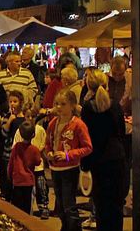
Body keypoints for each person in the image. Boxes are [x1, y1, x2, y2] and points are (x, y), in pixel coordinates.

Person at [81, 69, 128, 231]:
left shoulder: (88, 108)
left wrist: (84, 165)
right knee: (116, 206)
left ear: (88, 85)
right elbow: (121, 133)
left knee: (102, 207)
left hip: (98, 161)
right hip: (117, 159)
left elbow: (86, 138)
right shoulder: (114, 105)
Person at [46, 89, 93, 231]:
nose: (59, 107)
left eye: (63, 104)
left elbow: (87, 147)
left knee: (69, 205)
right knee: (60, 204)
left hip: (69, 169)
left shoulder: (78, 125)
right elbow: (48, 143)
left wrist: (68, 155)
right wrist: (48, 152)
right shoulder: (53, 123)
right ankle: (65, 227)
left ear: (72, 105)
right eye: (57, 104)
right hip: (55, 169)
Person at [14, 106, 49, 219]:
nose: (30, 118)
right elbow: (15, 144)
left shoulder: (40, 130)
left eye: (32, 116)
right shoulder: (20, 130)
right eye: (27, 116)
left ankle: (43, 206)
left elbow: (44, 142)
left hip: (37, 165)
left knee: (41, 185)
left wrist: (38, 151)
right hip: (24, 166)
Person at [7, 121, 42, 215]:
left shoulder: (16, 147)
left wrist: (10, 175)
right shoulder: (34, 149)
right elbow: (38, 162)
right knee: (27, 207)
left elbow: (11, 163)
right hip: (29, 181)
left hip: (17, 180)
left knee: (17, 207)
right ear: (33, 135)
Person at [0, 90, 26, 200]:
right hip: (8, 151)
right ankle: (6, 195)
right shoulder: (7, 117)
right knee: (8, 176)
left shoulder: (24, 118)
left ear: (21, 102)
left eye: (15, 101)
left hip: (21, 152)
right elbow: (3, 133)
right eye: (10, 101)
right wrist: (10, 121)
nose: (12, 104)